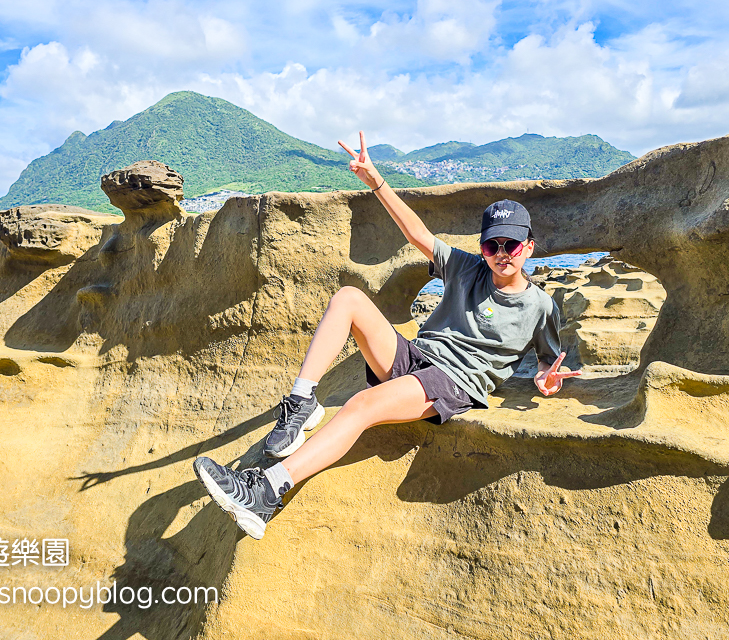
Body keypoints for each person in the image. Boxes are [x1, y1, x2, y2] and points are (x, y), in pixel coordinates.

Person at [193, 131, 581, 540]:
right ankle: (302, 402)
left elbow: (545, 361)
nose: (502, 254)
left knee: (362, 405)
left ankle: (267, 492)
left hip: (454, 381)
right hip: (417, 357)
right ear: (482, 248)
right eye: (492, 245)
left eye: (512, 245)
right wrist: (375, 180)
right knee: (348, 298)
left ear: (529, 247)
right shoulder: (469, 268)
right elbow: (417, 234)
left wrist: (545, 379)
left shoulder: (541, 306)